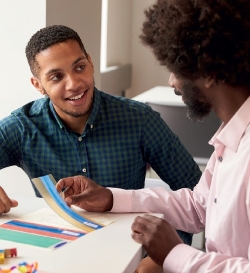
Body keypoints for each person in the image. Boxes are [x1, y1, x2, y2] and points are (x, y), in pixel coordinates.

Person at [56, 0, 250, 272]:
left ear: (208, 72)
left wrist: (175, 253)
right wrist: (110, 198)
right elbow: (198, 206)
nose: (172, 81)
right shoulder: (231, 138)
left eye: (176, 68)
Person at [0, 25, 201, 272]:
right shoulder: (22, 127)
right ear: (38, 84)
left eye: (79, 67)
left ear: (91, 64)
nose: (74, 83)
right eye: (56, 77)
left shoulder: (140, 120)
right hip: (56, 260)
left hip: (131, 259)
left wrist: (164, 258)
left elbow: (200, 196)